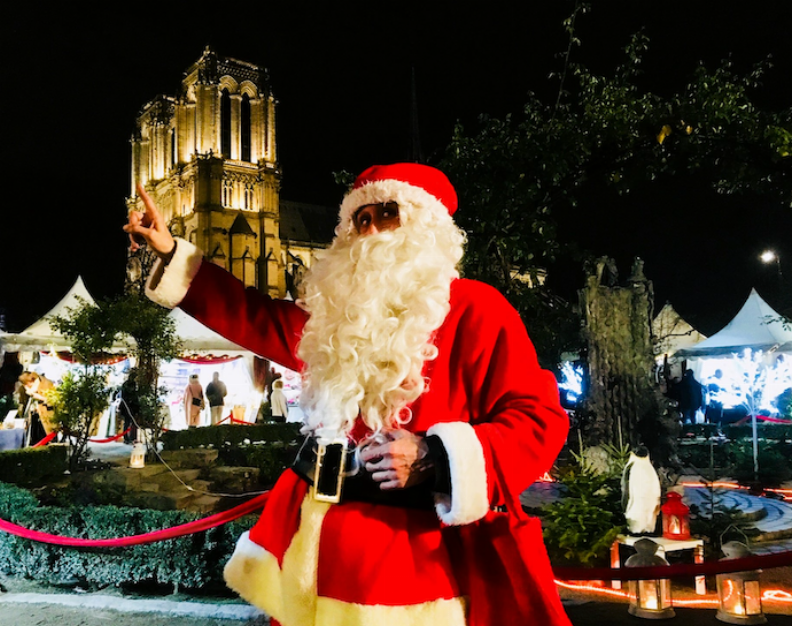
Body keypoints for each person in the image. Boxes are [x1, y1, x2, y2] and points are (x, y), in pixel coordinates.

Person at [126, 163, 571, 626]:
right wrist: (171, 250)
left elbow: (540, 419)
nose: (372, 229)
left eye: (388, 213)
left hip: (421, 564)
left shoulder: (477, 308)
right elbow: (249, 315)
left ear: (425, 228)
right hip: (321, 552)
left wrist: (435, 455)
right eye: (361, 219)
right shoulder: (333, 319)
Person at [119, 368, 141, 444]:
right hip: (127, 406)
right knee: (127, 422)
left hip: (131, 406)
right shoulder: (127, 385)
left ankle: (131, 437)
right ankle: (126, 438)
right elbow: (127, 394)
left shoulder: (133, 384)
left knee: (130, 422)